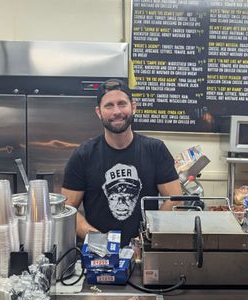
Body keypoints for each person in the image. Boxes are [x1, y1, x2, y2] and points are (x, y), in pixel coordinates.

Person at [62, 79, 182, 246]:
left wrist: (145, 238)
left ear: (133, 106)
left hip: (147, 252)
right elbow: (67, 209)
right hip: (99, 256)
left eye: (122, 104)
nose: (116, 111)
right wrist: (101, 241)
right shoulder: (83, 155)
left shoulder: (155, 150)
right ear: (99, 112)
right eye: (109, 105)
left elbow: (175, 199)